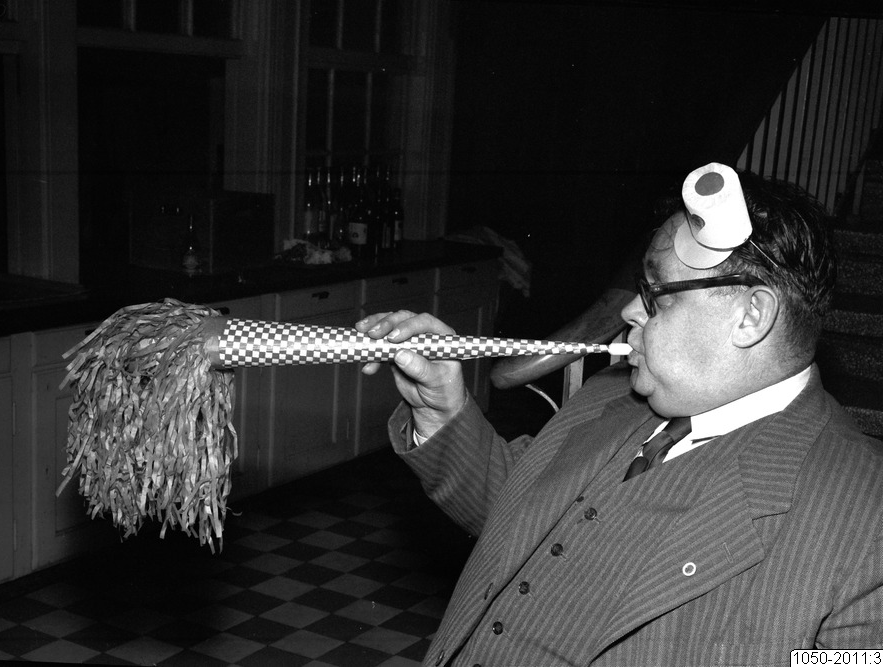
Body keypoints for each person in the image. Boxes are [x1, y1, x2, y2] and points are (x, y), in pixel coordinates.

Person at [356, 163, 883, 665]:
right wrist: (443, 409)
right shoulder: (610, 395)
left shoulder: (865, 519)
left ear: (751, 316)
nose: (630, 310)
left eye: (656, 296)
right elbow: (520, 517)